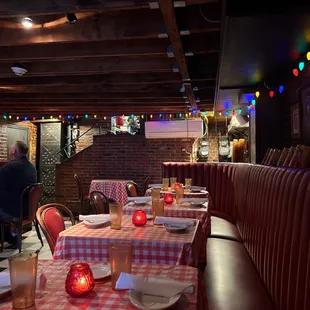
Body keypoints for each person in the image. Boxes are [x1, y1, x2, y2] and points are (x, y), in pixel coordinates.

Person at [0, 141, 37, 219]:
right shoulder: (32, 167)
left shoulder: (8, 168)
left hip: (13, 210)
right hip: (29, 209)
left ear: (14, 151)